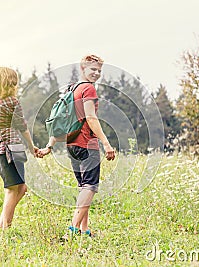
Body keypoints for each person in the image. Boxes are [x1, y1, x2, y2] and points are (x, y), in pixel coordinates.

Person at [39, 55, 116, 238]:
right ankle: (72, 230)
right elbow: (91, 118)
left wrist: (50, 145)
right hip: (87, 145)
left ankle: (84, 230)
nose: (96, 73)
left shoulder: (72, 89)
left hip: (72, 145)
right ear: (83, 68)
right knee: (90, 186)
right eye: (93, 69)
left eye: (99, 70)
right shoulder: (88, 89)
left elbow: (61, 118)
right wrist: (106, 143)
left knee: (84, 187)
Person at [0, 66, 39, 229]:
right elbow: (22, 126)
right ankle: (4, 228)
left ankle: (1, 225)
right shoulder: (11, 101)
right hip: (11, 150)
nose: (15, 85)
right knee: (14, 189)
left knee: (18, 188)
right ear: (8, 82)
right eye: (13, 82)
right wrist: (32, 147)